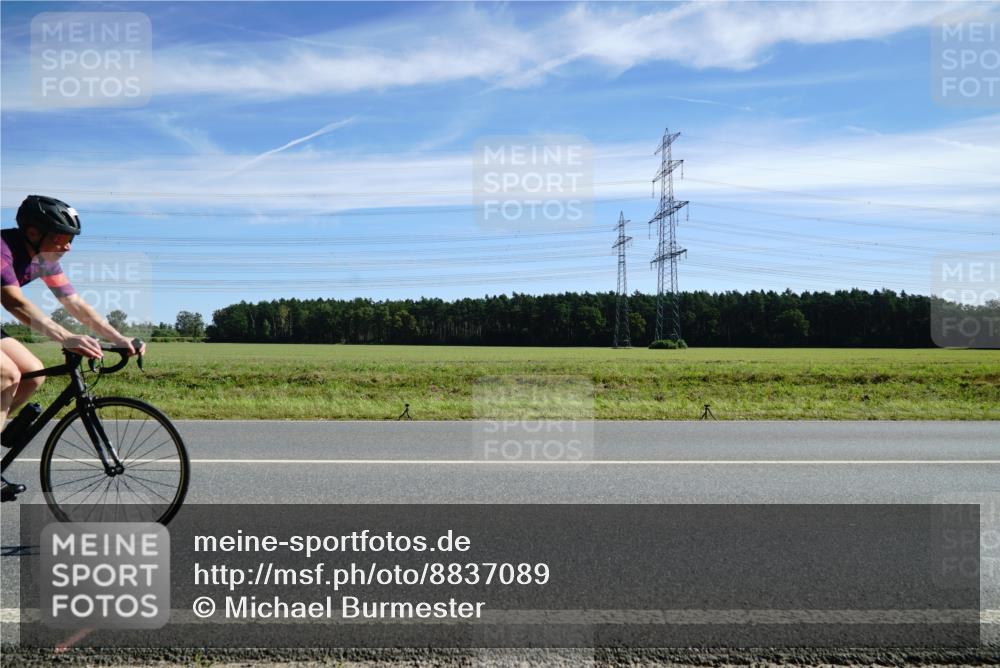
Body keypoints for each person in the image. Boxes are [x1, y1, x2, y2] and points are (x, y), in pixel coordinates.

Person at [1, 195, 144, 500]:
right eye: (61, 237)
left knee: (33, 373)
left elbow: (75, 304)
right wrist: (65, 337)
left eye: (71, 239)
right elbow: (13, 301)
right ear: (32, 232)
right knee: (7, 374)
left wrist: (118, 338)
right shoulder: (2, 249)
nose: (68, 246)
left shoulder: (44, 260)